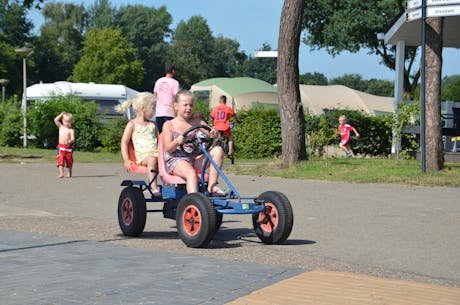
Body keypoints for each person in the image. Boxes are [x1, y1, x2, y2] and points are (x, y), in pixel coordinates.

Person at [162, 90, 225, 195]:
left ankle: (211, 186)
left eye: (191, 105)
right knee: (191, 173)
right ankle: (194, 200)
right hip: (176, 160)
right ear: (176, 106)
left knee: (218, 150)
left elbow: (211, 134)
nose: (189, 108)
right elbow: (168, 148)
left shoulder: (197, 121)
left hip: (192, 159)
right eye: (185, 105)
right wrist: (177, 141)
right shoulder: (169, 124)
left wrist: (214, 133)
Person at [117, 92, 160, 195]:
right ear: (143, 108)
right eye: (152, 108)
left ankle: (173, 189)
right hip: (143, 156)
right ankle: (154, 188)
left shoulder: (153, 125)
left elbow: (160, 141)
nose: (154, 111)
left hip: (157, 153)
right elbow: (124, 142)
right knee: (152, 159)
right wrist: (126, 160)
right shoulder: (132, 124)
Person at [153, 63, 180, 133]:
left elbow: (155, 94)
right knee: (169, 133)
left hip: (159, 112)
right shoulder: (175, 83)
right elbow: (176, 97)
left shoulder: (158, 81)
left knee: (159, 133)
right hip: (169, 112)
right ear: (173, 71)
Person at [54, 112, 75, 178]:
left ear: (71, 122)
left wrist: (70, 141)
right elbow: (56, 120)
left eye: (69, 122)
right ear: (62, 121)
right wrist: (61, 115)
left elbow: (73, 138)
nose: (67, 123)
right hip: (60, 147)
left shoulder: (71, 130)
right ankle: (61, 174)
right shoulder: (61, 127)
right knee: (60, 160)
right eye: (65, 121)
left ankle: (69, 173)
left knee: (69, 161)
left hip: (68, 148)